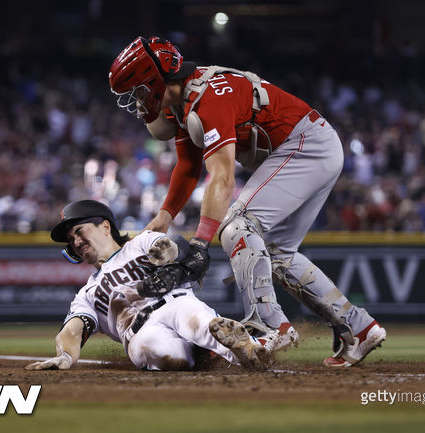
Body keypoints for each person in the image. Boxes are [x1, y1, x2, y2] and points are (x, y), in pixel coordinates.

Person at [108, 36, 386, 367]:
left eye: (138, 90)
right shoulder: (186, 103)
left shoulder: (208, 99)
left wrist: (200, 243)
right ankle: (360, 327)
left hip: (305, 146)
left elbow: (222, 179)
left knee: (237, 226)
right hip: (311, 146)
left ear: (155, 81)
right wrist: (165, 216)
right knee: (279, 255)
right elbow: (188, 166)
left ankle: (271, 325)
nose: (137, 101)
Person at [25, 199, 268, 371]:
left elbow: (175, 247)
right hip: (138, 332)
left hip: (176, 303)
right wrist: (65, 355)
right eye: (70, 240)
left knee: (196, 320)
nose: (76, 241)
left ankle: (249, 349)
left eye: (79, 231)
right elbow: (72, 331)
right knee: (158, 351)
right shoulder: (86, 294)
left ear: (105, 226)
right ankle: (206, 354)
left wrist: (168, 252)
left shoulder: (140, 243)